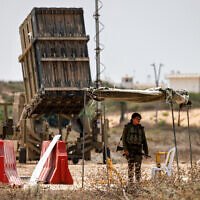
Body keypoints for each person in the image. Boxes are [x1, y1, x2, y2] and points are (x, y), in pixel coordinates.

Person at [122, 112, 148, 183]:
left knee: (138, 167)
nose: (139, 120)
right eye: (137, 119)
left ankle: (138, 181)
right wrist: (125, 150)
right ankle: (130, 182)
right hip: (129, 150)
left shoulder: (141, 128)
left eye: (139, 119)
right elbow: (124, 140)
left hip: (138, 150)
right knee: (130, 167)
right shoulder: (127, 127)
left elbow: (144, 141)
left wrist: (146, 152)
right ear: (133, 119)